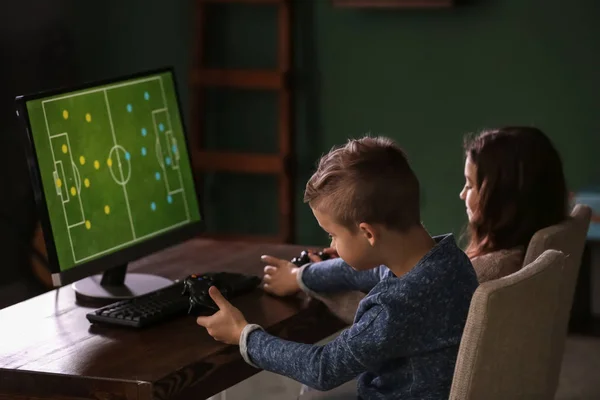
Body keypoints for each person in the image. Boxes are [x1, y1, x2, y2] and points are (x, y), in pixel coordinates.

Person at [196, 136, 478, 399]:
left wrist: (243, 334)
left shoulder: (397, 306)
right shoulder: (449, 261)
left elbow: (323, 368)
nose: (331, 242)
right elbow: (373, 271)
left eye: (333, 234)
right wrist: (301, 276)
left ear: (368, 233)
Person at [307, 126, 569, 285]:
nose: (461, 194)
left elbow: (382, 324)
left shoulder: (486, 271)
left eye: (471, 184)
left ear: (505, 198)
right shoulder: (521, 253)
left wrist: (305, 282)